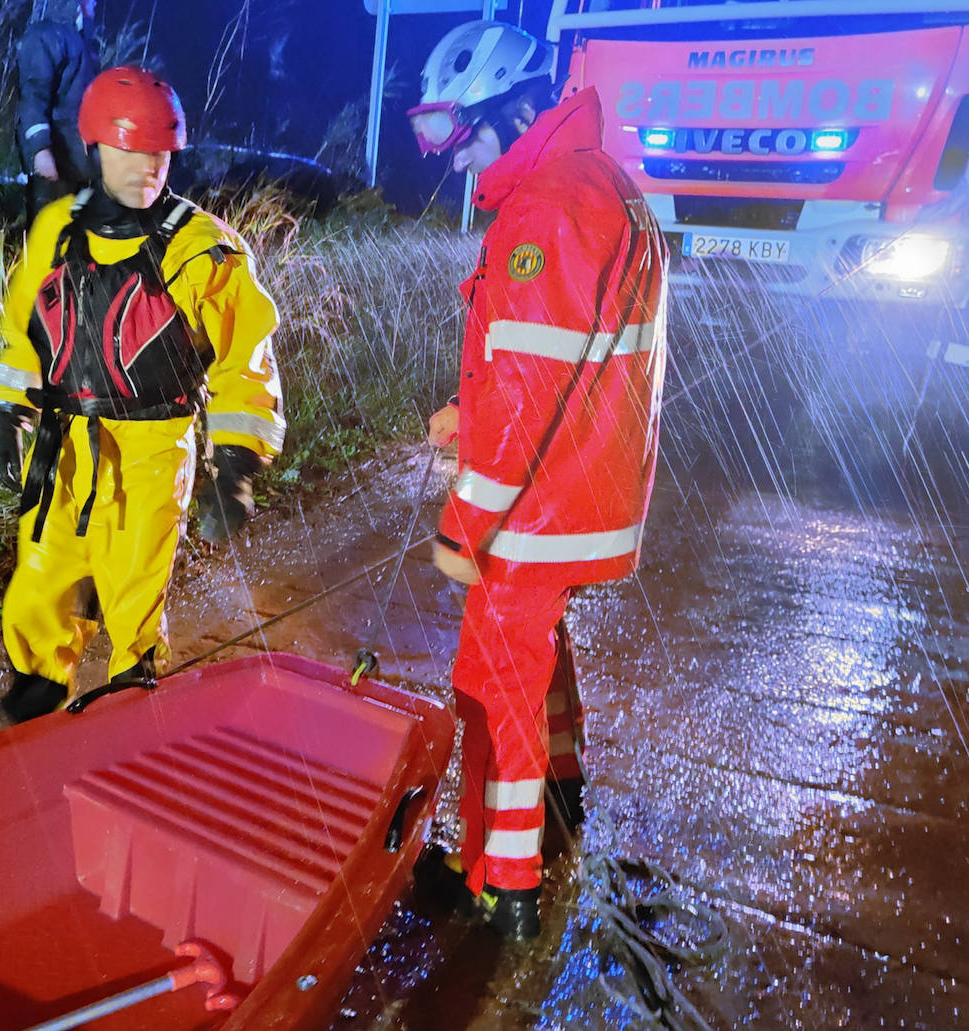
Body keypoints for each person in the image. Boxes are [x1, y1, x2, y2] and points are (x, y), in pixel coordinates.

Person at [410, 20, 668, 941]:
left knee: (493, 677)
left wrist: (465, 519)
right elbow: (557, 364)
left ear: (513, 110)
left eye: (466, 132)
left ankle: (501, 881)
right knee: (537, 652)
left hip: (537, 508)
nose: (457, 158)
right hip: (583, 491)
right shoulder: (599, 185)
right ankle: (559, 802)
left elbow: (529, 390)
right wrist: (467, 415)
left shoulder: (545, 208)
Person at [0, 66, 286, 723]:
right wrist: (9, 409)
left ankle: (133, 725)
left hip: (152, 448)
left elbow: (244, 359)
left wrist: (234, 464)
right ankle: (33, 717)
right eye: (130, 148)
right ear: (95, 148)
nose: (147, 164)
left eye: (160, 151)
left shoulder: (201, 250)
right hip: (66, 449)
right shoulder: (57, 231)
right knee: (40, 586)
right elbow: (24, 333)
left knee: (132, 596)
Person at [16, 0, 99, 227]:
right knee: (50, 232)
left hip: (80, 162)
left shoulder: (84, 41)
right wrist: (40, 149)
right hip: (56, 159)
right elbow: (33, 95)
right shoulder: (44, 35)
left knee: (77, 236)